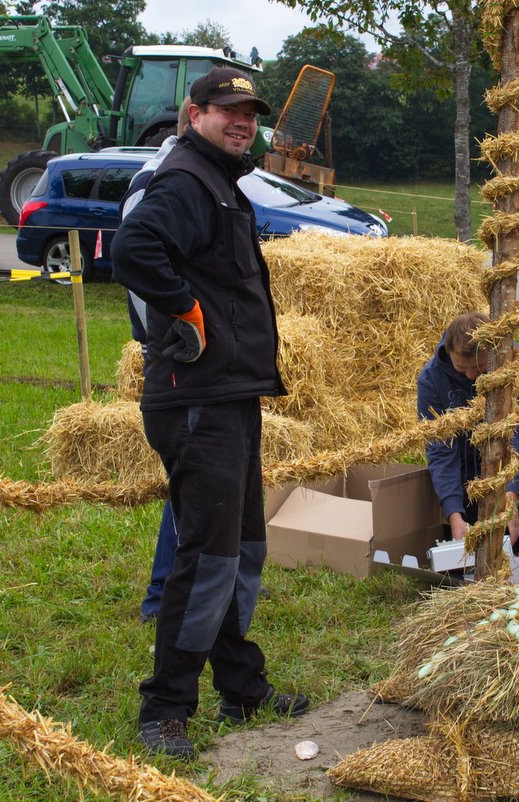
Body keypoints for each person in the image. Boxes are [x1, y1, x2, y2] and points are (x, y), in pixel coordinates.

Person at [112, 67, 308, 761]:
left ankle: (241, 685)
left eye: (250, 113)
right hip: (194, 398)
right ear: (193, 114)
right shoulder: (189, 181)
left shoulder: (220, 183)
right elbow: (133, 250)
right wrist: (185, 310)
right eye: (227, 111)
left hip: (229, 393)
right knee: (206, 557)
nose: (241, 122)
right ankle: (165, 708)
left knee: (241, 548)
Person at [416, 311, 519, 555]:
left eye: (479, 367)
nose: (470, 376)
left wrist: (511, 496)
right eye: (461, 368)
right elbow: (440, 452)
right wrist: (454, 515)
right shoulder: (430, 380)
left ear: (493, 352)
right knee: (474, 529)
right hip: (468, 466)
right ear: (449, 353)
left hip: (507, 453)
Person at [121, 99, 189, 625]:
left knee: (194, 482)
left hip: (186, 352)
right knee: (190, 478)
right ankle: (162, 597)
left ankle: (172, 594)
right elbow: (138, 262)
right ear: (194, 119)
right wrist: (178, 329)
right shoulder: (158, 180)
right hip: (176, 354)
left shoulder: (192, 175)